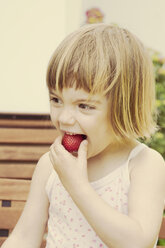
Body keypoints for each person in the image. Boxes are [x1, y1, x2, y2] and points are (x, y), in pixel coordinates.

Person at [2, 23, 165, 248]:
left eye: (84, 106)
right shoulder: (50, 166)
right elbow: (24, 237)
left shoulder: (143, 165)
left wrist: (77, 185)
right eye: (56, 100)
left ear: (123, 106)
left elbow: (137, 242)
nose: (64, 118)